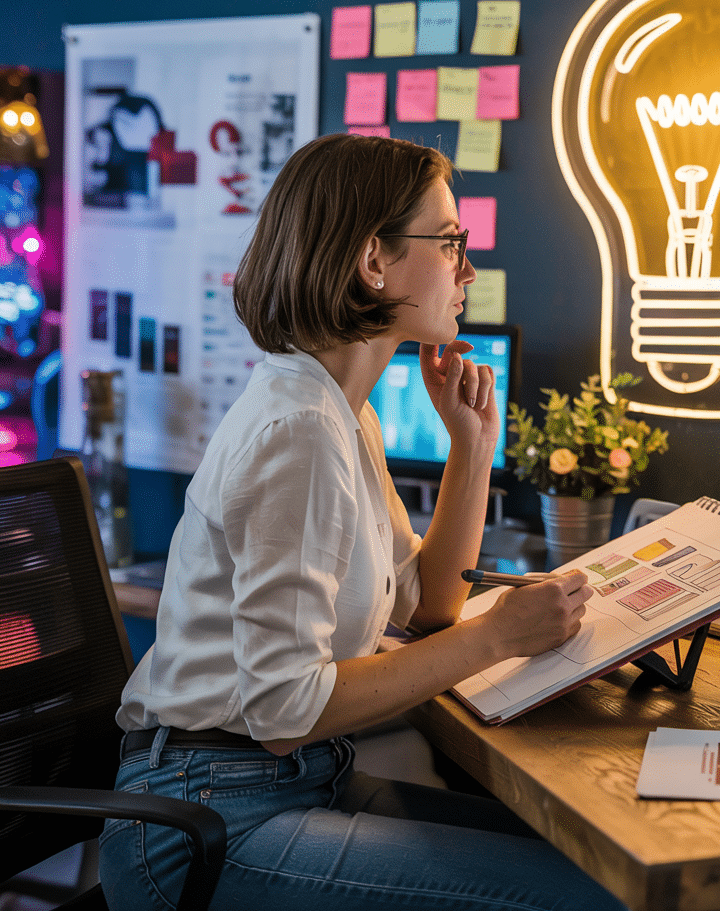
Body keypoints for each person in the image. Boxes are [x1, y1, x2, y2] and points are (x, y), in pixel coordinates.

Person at [98, 133, 628, 911]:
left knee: (596, 872)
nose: (467, 270)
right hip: (201, 826)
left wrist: (472, 449)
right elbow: (285, 711)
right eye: (449, 243)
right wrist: (497, 637)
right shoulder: (300, 430)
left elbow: (426, 602)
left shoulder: (341, 414)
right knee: (589, 900)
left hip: (291, 784)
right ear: (373, 262)